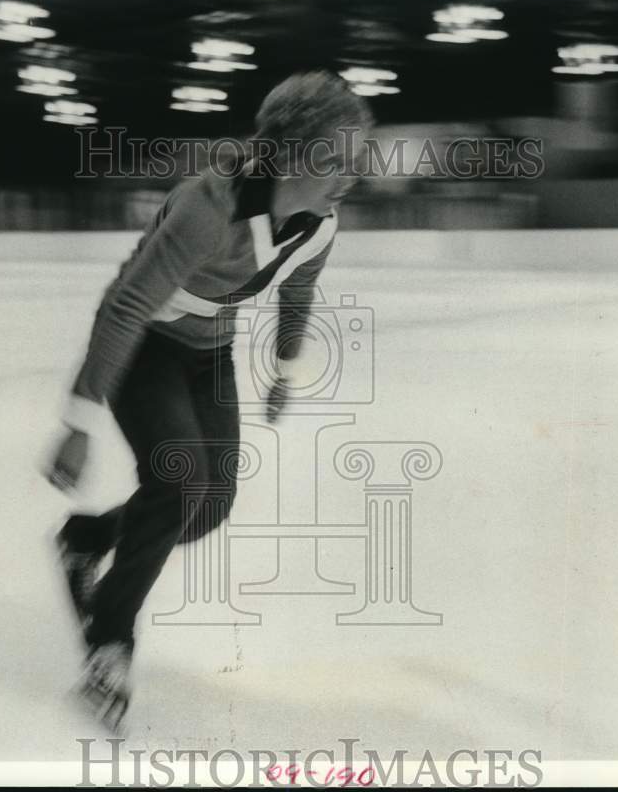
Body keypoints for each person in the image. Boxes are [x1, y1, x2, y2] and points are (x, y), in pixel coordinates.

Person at [46, 70, 373, 730]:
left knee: (208, 505)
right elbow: (128, 304)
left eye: (353, 161)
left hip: (208, 356)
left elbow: (296, 292)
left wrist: (284, 371)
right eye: (331, 158)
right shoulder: (209, 206)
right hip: (145, 350)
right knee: (178, 480)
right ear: (285, 152)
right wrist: (78, 419)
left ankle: (89, 540)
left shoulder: (320, 225)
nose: (346, 177)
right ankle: (109, 644)